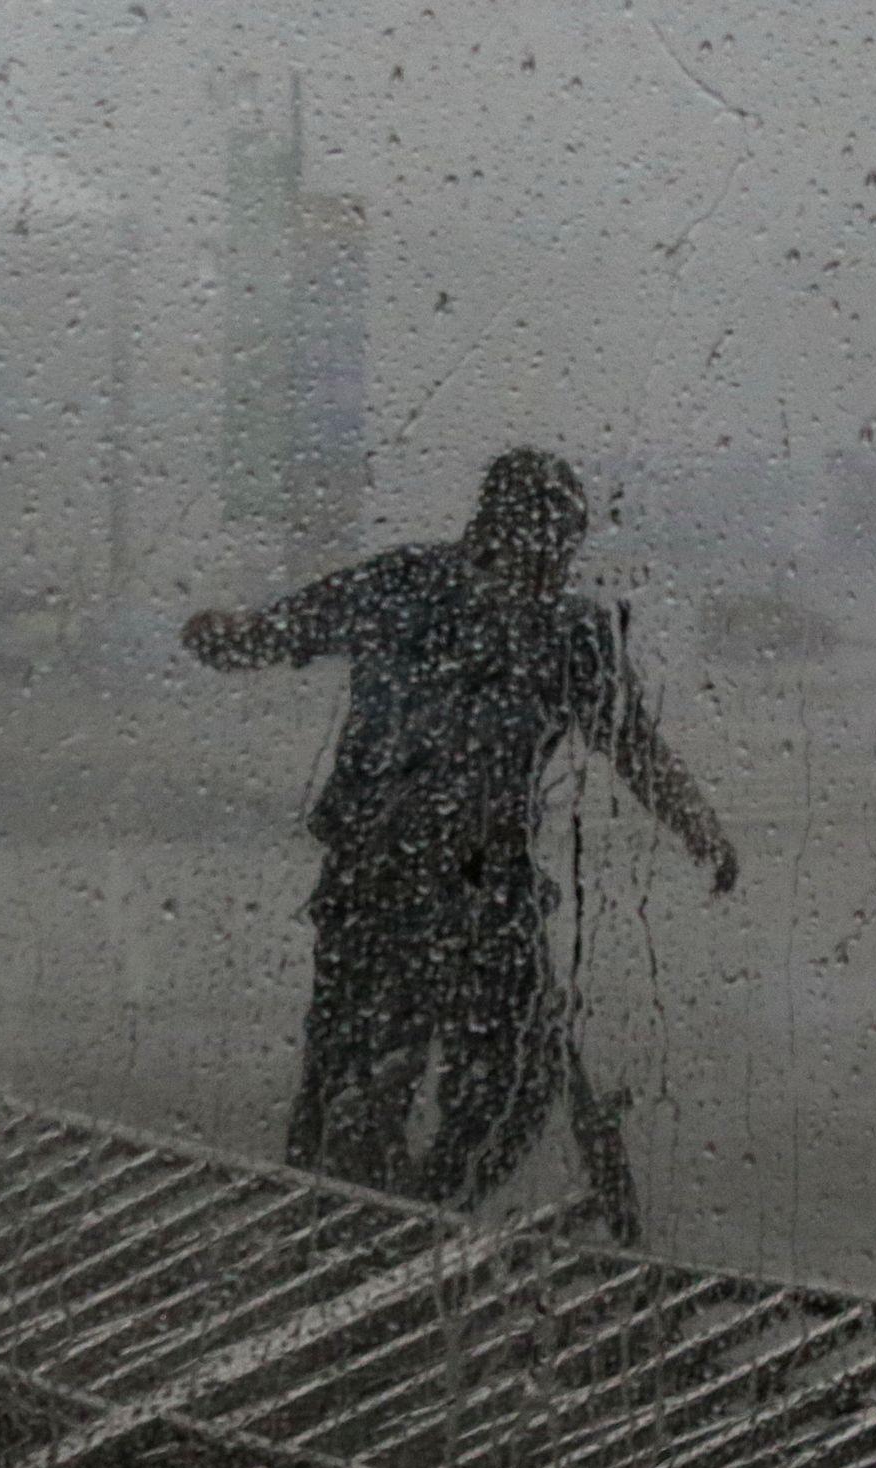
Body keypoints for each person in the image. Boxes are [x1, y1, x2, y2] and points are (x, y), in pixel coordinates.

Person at [182, 447, 737, 1209]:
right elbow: (287, 629)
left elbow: (631, 743)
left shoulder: (573, 632)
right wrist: (229, 635)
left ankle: (432, 1209)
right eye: (543, 538)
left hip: (492, 882)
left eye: (567, 541)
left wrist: (698, 826)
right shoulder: (405, 583)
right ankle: (344, 1219)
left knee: (518, 1076)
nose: (557, 558)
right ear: (493, 527)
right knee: (360, 1071)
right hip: (379, 878)